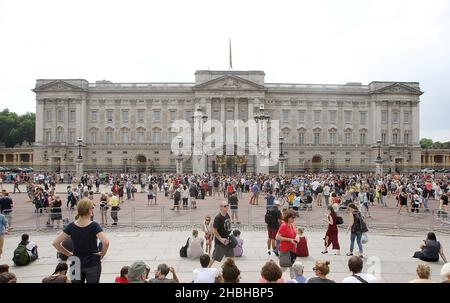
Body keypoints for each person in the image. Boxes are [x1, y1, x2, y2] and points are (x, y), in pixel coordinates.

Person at [52, 199, 110, 283]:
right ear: (89, 210)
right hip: (92, 262)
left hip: (75, 262)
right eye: (92, 207)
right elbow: (106, 242)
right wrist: (103, 253)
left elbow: (55, 243)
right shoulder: (94, 226)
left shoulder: (71, 226)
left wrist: (68, 253)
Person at [208, 201, 234, 267]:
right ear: (221, 207)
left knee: (231, 257)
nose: (227, 207)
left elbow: (228, 224)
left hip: (228, 239)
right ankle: (207, 268)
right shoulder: (218, 218)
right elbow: (215, 230)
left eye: (227, 205)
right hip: (221, 242)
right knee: (214, 258)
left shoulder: (227, 214)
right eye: (225, 206)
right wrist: (221, 239)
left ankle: (234, 271)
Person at [275, 210, 297, 279]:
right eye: (292, 218)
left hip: (292, 250)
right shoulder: (284, 225)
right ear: (287, 217)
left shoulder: (292, 225)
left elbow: (294, 235)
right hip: (285, 251)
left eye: (294, 218)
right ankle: (272, 277)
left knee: (292, 268)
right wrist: (290, 240)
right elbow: (277, 237)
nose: (293, 219)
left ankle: (293, 281)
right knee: (284, 268)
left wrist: (297, 239)